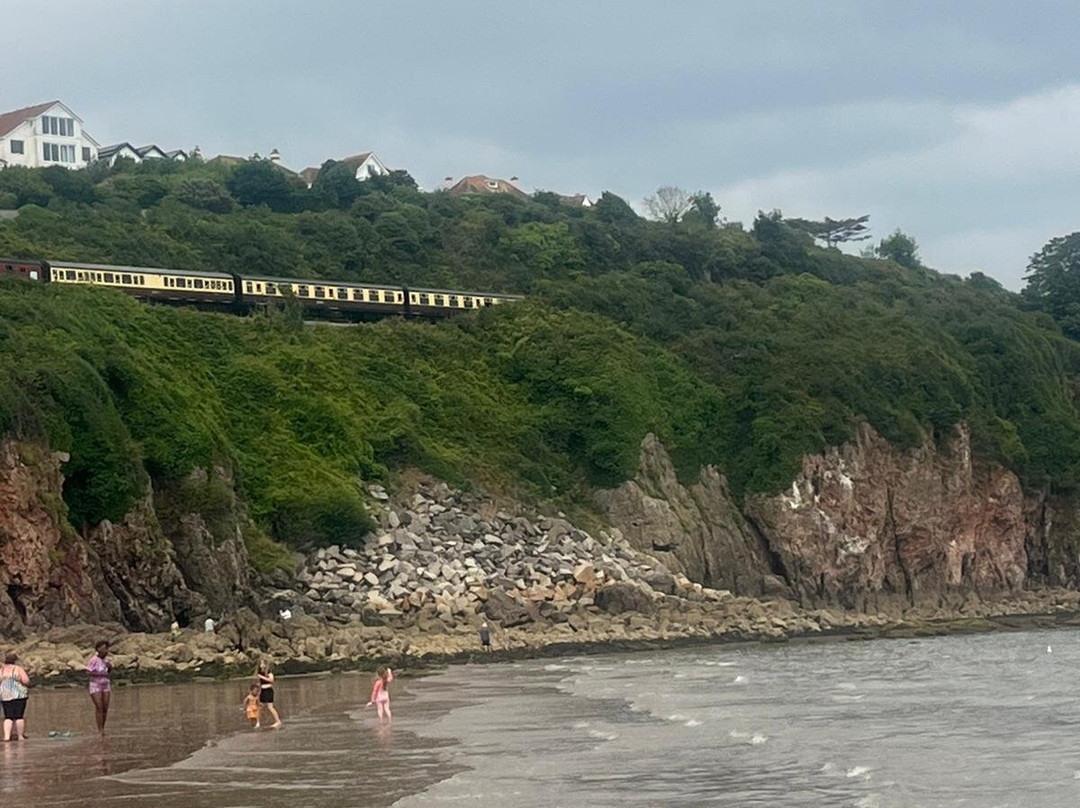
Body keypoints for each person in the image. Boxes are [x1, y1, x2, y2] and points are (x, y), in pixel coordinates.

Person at [0, 652, 30, 742]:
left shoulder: (1, 670)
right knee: (19, 716)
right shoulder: (18, 669)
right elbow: (26, 680)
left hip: (5, 696)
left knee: (8, 717)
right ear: (15, 660)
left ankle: (6, 737)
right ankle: (20, 736)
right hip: (19, 695)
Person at [87, 640, 112, 735]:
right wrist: (99, 674)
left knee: (105, 707)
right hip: (95, 685)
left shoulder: (106, 660)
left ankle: (103, 727)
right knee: (99, 707)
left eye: (106, 648)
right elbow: (88, 672)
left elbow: (108, 671)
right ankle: (99, 730)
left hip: (106, 684)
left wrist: (110, 668)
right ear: (98, 649)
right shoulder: (94, 660)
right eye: (104, 648)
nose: (106, 651)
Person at [255, 661, 283, 729]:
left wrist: (262, 677)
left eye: (263, 663)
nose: (262, 665)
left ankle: (278, 721)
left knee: (270, 707)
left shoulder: (269, 672)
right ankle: (258, 722)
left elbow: (271, 680)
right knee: (260, 707)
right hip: (262, 690)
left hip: (268, 690)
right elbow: (259, 683)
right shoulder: (259, 673)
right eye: (260, 664)